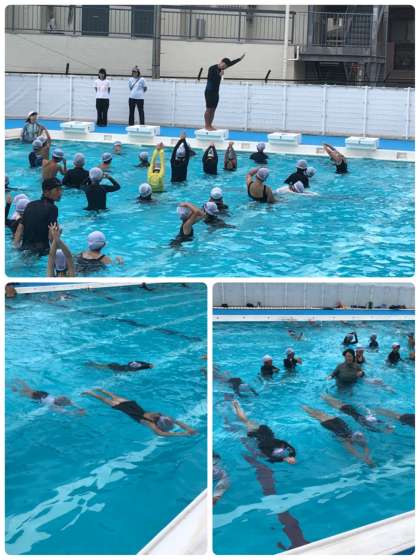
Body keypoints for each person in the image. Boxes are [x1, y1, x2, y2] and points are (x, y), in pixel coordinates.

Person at [82, 388, 197, 437]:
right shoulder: (159, 418)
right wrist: (187, 430)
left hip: (130, 409)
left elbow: (162, 432)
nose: (158, 413)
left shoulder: (152, 421)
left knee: (108, 399)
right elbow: (176, 423)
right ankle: (99, 390)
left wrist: (185, 432)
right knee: (113, 398)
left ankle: (94, 392)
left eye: (157, 415)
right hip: (133, 408)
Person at [303, 405, 373, 466]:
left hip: (338, 422)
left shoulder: (349, 440)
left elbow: (361, 450)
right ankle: (304, 407)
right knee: (317, 415)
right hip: (334, 423)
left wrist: (366, 458)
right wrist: (366, 458)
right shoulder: (348, 441)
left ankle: (304, 406)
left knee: (319, 414)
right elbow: (359, 451)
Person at [15, 178, 62, 255]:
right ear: (46, 192)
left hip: (24, 248)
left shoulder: (30, 205)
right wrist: (59, 253)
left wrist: (15, 248)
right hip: (42, 251)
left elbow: (20, 229)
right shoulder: (52, 208)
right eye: (57, 190)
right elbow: (51, 236)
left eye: (61, 189)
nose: (60, 193)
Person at [204, 54, 245, 130]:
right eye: (224, 65)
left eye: (226, 67)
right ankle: (207, 125)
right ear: (221, 62)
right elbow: (210, 78)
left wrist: (239, 59)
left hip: (216, 92)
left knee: (213, 109)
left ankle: (210, 125)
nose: (224, 67)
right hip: (209, 92)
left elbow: (231, 63)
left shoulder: (222, 69)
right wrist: (219, 75)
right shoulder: (212, 68)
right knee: (209, 109)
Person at [321, 394, 393, 433]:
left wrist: (384, 428)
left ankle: (324, 396)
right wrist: (383, 429)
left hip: (351, 410)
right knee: (336, 404)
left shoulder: (368, 421)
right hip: (350, 411)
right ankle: (324, 396)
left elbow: (373, 426)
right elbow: (372, 427)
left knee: (336, 403)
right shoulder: (366, 423)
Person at [12, 379, 85, 415]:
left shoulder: (61, 401)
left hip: (44, 394)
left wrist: (80, 408)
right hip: (40, 397)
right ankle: (16, 389)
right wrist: (79, 412)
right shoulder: (54, 407)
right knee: (25, 393)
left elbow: (71, 402)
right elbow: (68, 412)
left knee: (29, 390)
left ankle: (19, 382)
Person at [86, 360, 153, 372]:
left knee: (103, 365)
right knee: (103, 368)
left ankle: (92, 363)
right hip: (118, 368)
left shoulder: (137, 363)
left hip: (116, 364)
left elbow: (130, 362)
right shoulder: (137, 368)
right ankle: (92, 366)